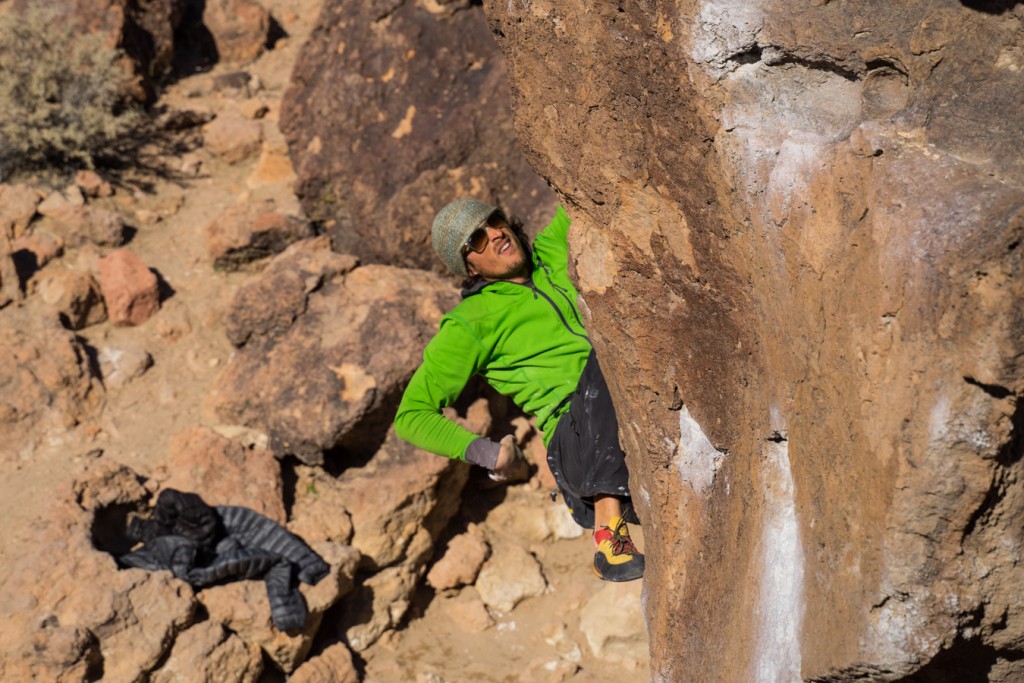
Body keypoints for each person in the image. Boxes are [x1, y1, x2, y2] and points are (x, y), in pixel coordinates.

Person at [394, 198, 644, 582]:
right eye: (477, 239)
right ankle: (608, 527)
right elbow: (411, 415)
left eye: (493, 221)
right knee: (605, 353)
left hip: (630, 411)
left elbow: (582, 191)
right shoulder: (470, 323)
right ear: (470, 267)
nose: (494, 234)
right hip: (576, 443)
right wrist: (487, 453)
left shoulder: (552, 249)